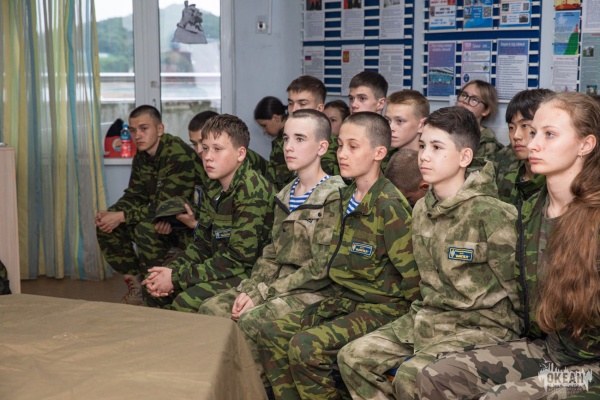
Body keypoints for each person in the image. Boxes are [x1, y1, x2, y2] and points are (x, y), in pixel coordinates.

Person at [417, 92, 600, 399]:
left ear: (585, 145)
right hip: (549, 351)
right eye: (533, 132)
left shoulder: (594, 216)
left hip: (592, 367)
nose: (533, 144)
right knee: (435, 377)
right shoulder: (529, 211)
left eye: (549, 134)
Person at [337, 106, 520, 399]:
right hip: (427, 318)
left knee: (412, 375)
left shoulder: (492, 213)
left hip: (482, 326)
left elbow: (519, 289)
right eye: (422, 146)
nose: (424, 155)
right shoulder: (422, 207)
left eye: (437, 147)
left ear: (464, 157)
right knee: (351, 358)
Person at [257, 112, 420, 399]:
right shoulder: (343, 198)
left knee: (305, 346)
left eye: (353, 147)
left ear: (379, 153)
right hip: (344, 299)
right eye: (341, 145)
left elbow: (414, 278)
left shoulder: (389, 206)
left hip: (381, 307)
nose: (342, 154)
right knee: (271, 333)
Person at [197, 109, 346, 382]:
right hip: (278, 285)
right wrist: (252, 288)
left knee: (251, 320)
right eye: (286, 138)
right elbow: (271, 253)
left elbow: (320, 267)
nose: (288, 147)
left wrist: (263, 293)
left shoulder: (334, 196)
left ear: (322, 147)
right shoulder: (285, 195)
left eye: (300, 139)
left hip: (315, 291)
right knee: (212, 308)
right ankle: (219, 384)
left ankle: (254, 389)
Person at [141, 114, 276, 312]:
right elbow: (203, 244)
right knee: (151, 284)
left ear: (240, 154)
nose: (207, 157)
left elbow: (238, 260)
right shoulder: (213, 186)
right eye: (205, 148)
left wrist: (176, 277)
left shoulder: (252, 189)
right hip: (221, 265)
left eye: (217, 149)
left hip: (251, 273)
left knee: (184, 302)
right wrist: (171, 271)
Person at [95, 105, 199, 305]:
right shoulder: (142, 156)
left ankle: (156, 292)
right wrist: (112, 213)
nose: (137, 136)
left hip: (188, 222)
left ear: (160, 129)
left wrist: (122, 216)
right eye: (133, 130)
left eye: (144, 129)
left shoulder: (177, 154)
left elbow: (168, 206)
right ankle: (137, 285)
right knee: (106, 226)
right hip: (164, 218)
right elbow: (135, 195)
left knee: (145, 230)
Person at [496, 89, 552, 205]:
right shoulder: (508, 181)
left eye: (525, 126)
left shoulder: (556, 183)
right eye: (511, 127)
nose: (516, 136)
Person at [286, 75, 339, 177]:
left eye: (302, 104)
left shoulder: (332, 146)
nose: (293, 110)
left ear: (319, 109)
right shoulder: (285, 140)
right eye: (290, 103)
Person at [254, 96, 295, 191]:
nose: (264, 131)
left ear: (276, 118)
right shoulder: (281, 140)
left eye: (264, 125)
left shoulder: (285, 141)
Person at [456, 80, 503, 161]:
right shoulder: (445, 129)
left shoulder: (487, 143)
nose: (465, 101)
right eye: (464, 95)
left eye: (474, 99)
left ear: (486, 110)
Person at [382, 89, 430, 170]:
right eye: (388, 120)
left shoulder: (429, 162)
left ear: (421, 125)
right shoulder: (382, 155)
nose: (390, 128)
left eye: (400, 121)